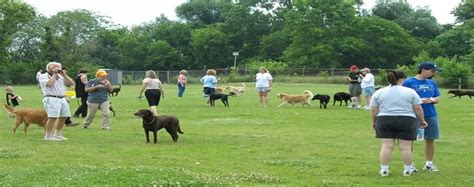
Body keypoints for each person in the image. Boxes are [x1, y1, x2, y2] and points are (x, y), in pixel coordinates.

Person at [370, 70, 428, 177]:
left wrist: (374, 122)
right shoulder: (410, 92)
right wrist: (422, 121)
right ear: (401, 79)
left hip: (384, 119)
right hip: (406, 120)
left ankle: (384, 170)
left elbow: (374, 110)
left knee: (386, 146)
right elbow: (418, 108)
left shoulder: (379, 92)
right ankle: (407, 170)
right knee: (405, 147)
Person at [402, 62, 441, 172]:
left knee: (430, 139)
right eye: (433, 71)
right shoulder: (408, 82)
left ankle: (429, 164)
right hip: (412, 114)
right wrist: (418, 101)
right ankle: (410, 165)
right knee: (410, 139)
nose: (434, 73)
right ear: (424, 70)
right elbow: (403, 97)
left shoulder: (431, 83)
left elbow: (437, 98)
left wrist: (432, 100)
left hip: (430, 114)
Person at [38, 62, 75, 140]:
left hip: (62, 98)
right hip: (51, 98)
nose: (58, 68)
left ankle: (58, 134)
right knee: (52, 117)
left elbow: (71, 83)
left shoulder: (60, 76)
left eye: (59, 67)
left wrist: (64, 75)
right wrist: (54, 74)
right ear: (49, 68)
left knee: (64, 116)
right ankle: (48, 136)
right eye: (55, 67)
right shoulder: (43, 76)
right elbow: (49, 84)